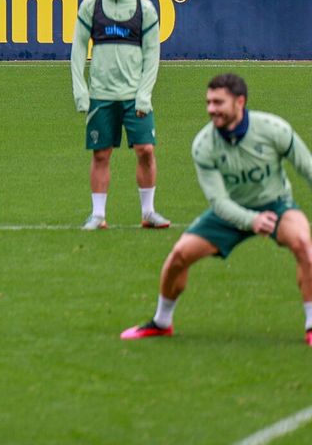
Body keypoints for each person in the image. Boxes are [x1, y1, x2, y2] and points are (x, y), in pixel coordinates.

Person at [121, 73, 312, 345]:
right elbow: (219, 202)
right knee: (178, 256)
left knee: (304, 246)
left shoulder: (274, 129)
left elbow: (307, 168)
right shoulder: (204, 144)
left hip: (276, 205)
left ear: (240, 102)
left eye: (218, 102)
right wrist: (251, 219)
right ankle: (161, 323)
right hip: (230, 212)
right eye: (209, 102)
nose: (211, 109)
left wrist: (262, 215)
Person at [70, 0, 167, 232]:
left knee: (146, 150)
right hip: (101, 95)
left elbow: (152, 55)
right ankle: (98, 215)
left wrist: (144, 94)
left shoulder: (144, 8)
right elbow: (78, 49)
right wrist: (80, 91)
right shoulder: (91, 6)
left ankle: (148, 212)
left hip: (134, 96)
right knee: (101, 154)